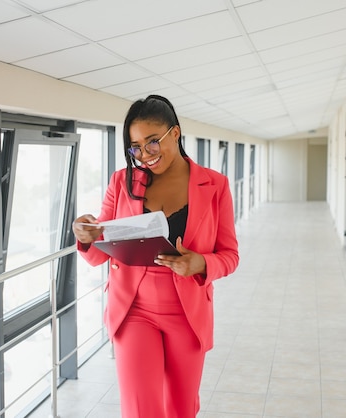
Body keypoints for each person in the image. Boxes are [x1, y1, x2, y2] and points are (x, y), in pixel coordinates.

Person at [72, 94, 239, 418]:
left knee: (181, 409)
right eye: (136, 147)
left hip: (187, 315)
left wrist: (201, 262)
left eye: (152, 142)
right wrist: (86, 236)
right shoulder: (122, 182)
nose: (144, 154)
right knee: (140, 410)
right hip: (134, 310)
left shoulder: (215, 185)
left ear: (174, 133)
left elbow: (230, 254)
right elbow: (99, 253)